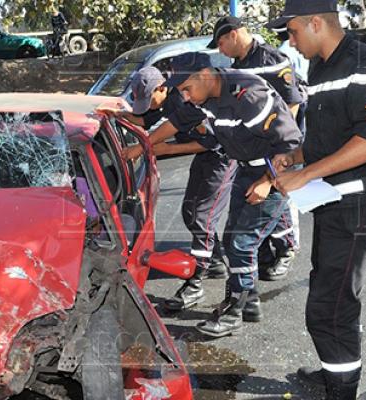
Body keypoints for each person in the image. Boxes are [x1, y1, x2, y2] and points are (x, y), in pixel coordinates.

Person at [267, 0, 366, 398]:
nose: (290, 43)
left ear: (317, 23)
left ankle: (341, 389)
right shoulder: (321, 67)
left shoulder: (365, 63)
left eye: (292, 32)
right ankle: (335, 372)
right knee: (329, 294)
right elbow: (328, 139)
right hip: (331, 201)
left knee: (330, 308)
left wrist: (303, 174)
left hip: (357, 205)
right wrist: (296, 156)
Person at [128, 52, 302, 335]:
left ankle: (234, 312)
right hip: (245, 170)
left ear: (206, 75)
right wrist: (142, 146)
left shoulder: (248, 96)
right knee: (236, 238)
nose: (183, 96)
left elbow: (290, 144)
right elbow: (176, 122)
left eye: (186, 89)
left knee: (241, 245)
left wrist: (267, 182)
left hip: (274, 173)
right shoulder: (202, 97)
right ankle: (248, 304)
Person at [100, 67, 235, 311]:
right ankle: (213, 261)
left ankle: (195, 283)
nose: (148, 107)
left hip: (221, 158)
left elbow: (210, 142)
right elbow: (143, 119)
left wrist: (162, 149)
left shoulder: (185, 100)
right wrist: (117, 115)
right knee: (189, 212)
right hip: (206, 158)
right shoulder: (161, 103)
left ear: (162, 88)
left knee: (202, 217)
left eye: (148, 99)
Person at [207, 15, 304, 281]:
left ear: (233, 35)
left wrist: (283, 150)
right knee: (261, 202)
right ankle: (262, 253)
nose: (220, 51)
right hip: (253, 148)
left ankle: (287, 249)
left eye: (220, 43)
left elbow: (291, 105)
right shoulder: (238, 66)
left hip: (279, 145)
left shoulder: (271, 60)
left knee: (279, 196)